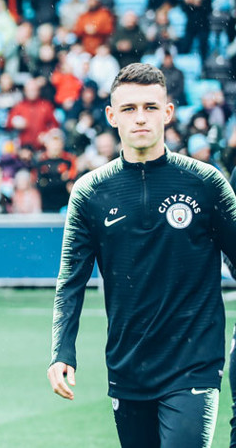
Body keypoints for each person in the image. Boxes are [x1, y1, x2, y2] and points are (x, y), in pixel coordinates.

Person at [48, 63, 236, 447]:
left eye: (150, 107)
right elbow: (71, 281)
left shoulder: (207, 184)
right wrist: (61, 351)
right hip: (128, 364)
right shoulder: (90, 193)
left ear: (167, 113)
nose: (140, 118)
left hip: (194, 362)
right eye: (129, 109)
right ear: (112, 116)